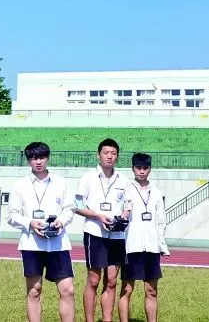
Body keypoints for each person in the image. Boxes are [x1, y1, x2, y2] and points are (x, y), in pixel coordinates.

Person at [7, 141, 76, 322]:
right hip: (32, 244)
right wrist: (30, 223)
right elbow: (11, 215)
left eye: (41, 157)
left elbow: (70, 209)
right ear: (28, 160)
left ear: (48, 158)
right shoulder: (20, 185)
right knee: (34, 290)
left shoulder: (61, 182)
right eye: (33, 158)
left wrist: (61, 221)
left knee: (68, 290)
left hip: (58, 243)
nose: (38, 162)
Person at [73, 138, 127, 322]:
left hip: (117, 235)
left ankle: (107, 319)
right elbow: (77, 206)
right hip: (94, 233)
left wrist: (123, 216)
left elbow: (128, 206)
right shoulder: (88, 177)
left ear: (117, 156)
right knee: (93, 280)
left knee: (111, 280)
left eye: (113, 153)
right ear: (98, 155)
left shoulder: (124, 180)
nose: (109, 156)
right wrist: (98, 216)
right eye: (106, 153)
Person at [119, 152, 169, 322]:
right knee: (127, 289)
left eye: (145, 168)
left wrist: (162, 245)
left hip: (151, 247)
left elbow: (161, 221)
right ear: (132, 168)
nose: (142, 171)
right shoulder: (126, 189)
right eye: (138, 168)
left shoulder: (156, 192)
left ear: (150, 169)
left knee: (151, 290)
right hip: (131, 246)